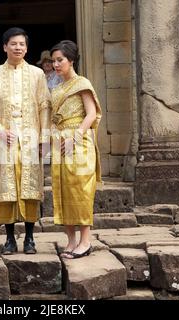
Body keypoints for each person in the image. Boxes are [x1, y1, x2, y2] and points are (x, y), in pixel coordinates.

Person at [0, 27, 51, 255]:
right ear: (4, 47)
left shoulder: (37, 75)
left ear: (27, 48)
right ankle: (9, 238)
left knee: (30, 187)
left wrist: (44, 139)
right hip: (4, 141)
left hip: (30, 139)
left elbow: (44, 107)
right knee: (7, 188)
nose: (18, 47)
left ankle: (29, 237)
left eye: (22, 44)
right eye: (13, 44)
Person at [50, 40, 102, 259]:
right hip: (60, 141)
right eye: (53, 61)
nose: (56, 64)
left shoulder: (82, 83)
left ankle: (86, 241)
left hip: (79, 141)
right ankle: (71, 241)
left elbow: (91, 114)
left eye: (60, 60)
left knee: (80, 189)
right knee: (62, 189)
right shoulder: (57, 88)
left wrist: (76, 137)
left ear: (71, 60)